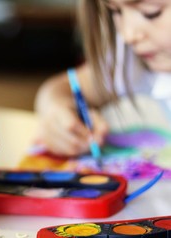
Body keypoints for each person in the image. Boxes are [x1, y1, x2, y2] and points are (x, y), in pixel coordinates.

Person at [35, 0, 171, 156]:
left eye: (151, 12)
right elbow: (60, 87)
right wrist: (57, 111)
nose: (128, 35)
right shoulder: (129, 62)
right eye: (116, 11)